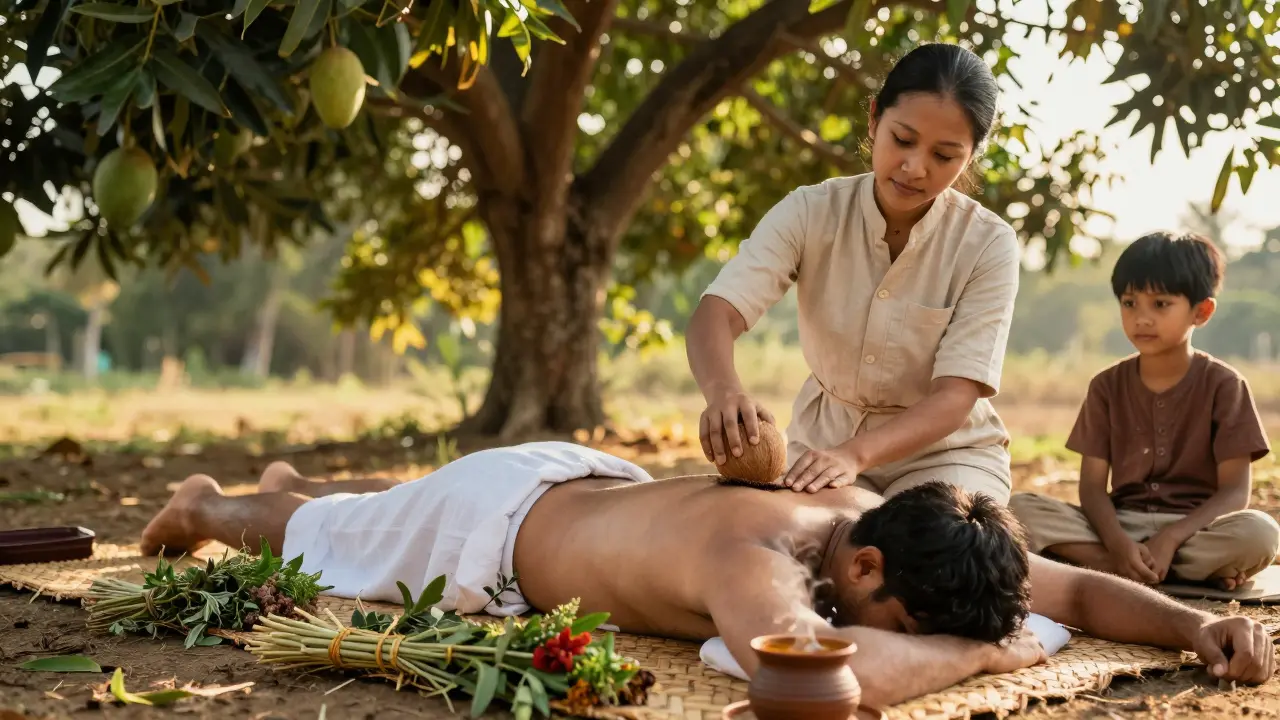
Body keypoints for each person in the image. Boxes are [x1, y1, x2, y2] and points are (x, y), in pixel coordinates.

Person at [140, 441, 1273, 709]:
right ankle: (216, 503)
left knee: (331, 520)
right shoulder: (762, 560)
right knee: (314, 539)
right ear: (862, 561)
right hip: (485, 522)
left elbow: (1065, 593)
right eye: (883, 613)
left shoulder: (889, 526)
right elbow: (808, 688)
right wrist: (978, 654)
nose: (859, 619)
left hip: (595, 490)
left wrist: (1187, 627)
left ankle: (286, 494)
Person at [687, 42, 1020, 502]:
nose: (914, 167)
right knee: (804, 544)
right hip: (820, 449)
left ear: (971, 156)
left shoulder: (988, 243)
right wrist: (723, 392)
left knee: (936, 550)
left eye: (944, 156)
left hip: (949, 457)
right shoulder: (810, 211)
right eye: (902, 139)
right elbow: (718, 312)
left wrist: (854, 456)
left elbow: (954, 397)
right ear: (873, 118)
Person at [1010, 231, 1278, 590]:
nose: (1142, 318)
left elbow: (1234, 492)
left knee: (1260, 533)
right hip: (1118, 527)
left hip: (1193, 531)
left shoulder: (1225, 385)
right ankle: (1143, 567)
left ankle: (1116, 568)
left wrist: (1169, 539)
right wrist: (1119, 544)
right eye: (1130, 303)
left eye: (1161, 304)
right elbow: (1091, 487)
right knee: (1020, 509)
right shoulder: (1105, 386)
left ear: (1202, 311)